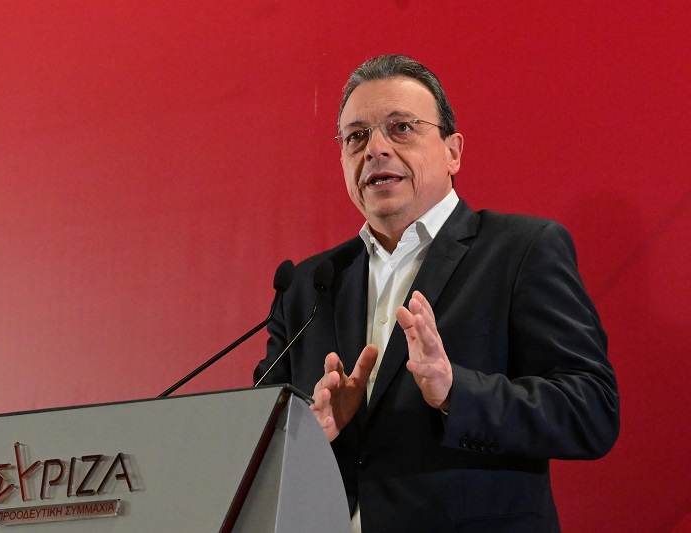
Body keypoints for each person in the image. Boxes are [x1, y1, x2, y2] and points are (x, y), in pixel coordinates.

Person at [253, 54, 619, 532]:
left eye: (401, 128)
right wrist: (305, 431)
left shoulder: (521, 251)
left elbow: (591, 410)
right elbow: (257, 440)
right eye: (356, 136)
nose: (375, 149)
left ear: (453, 151)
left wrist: (455, 393)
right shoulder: (308, 284)